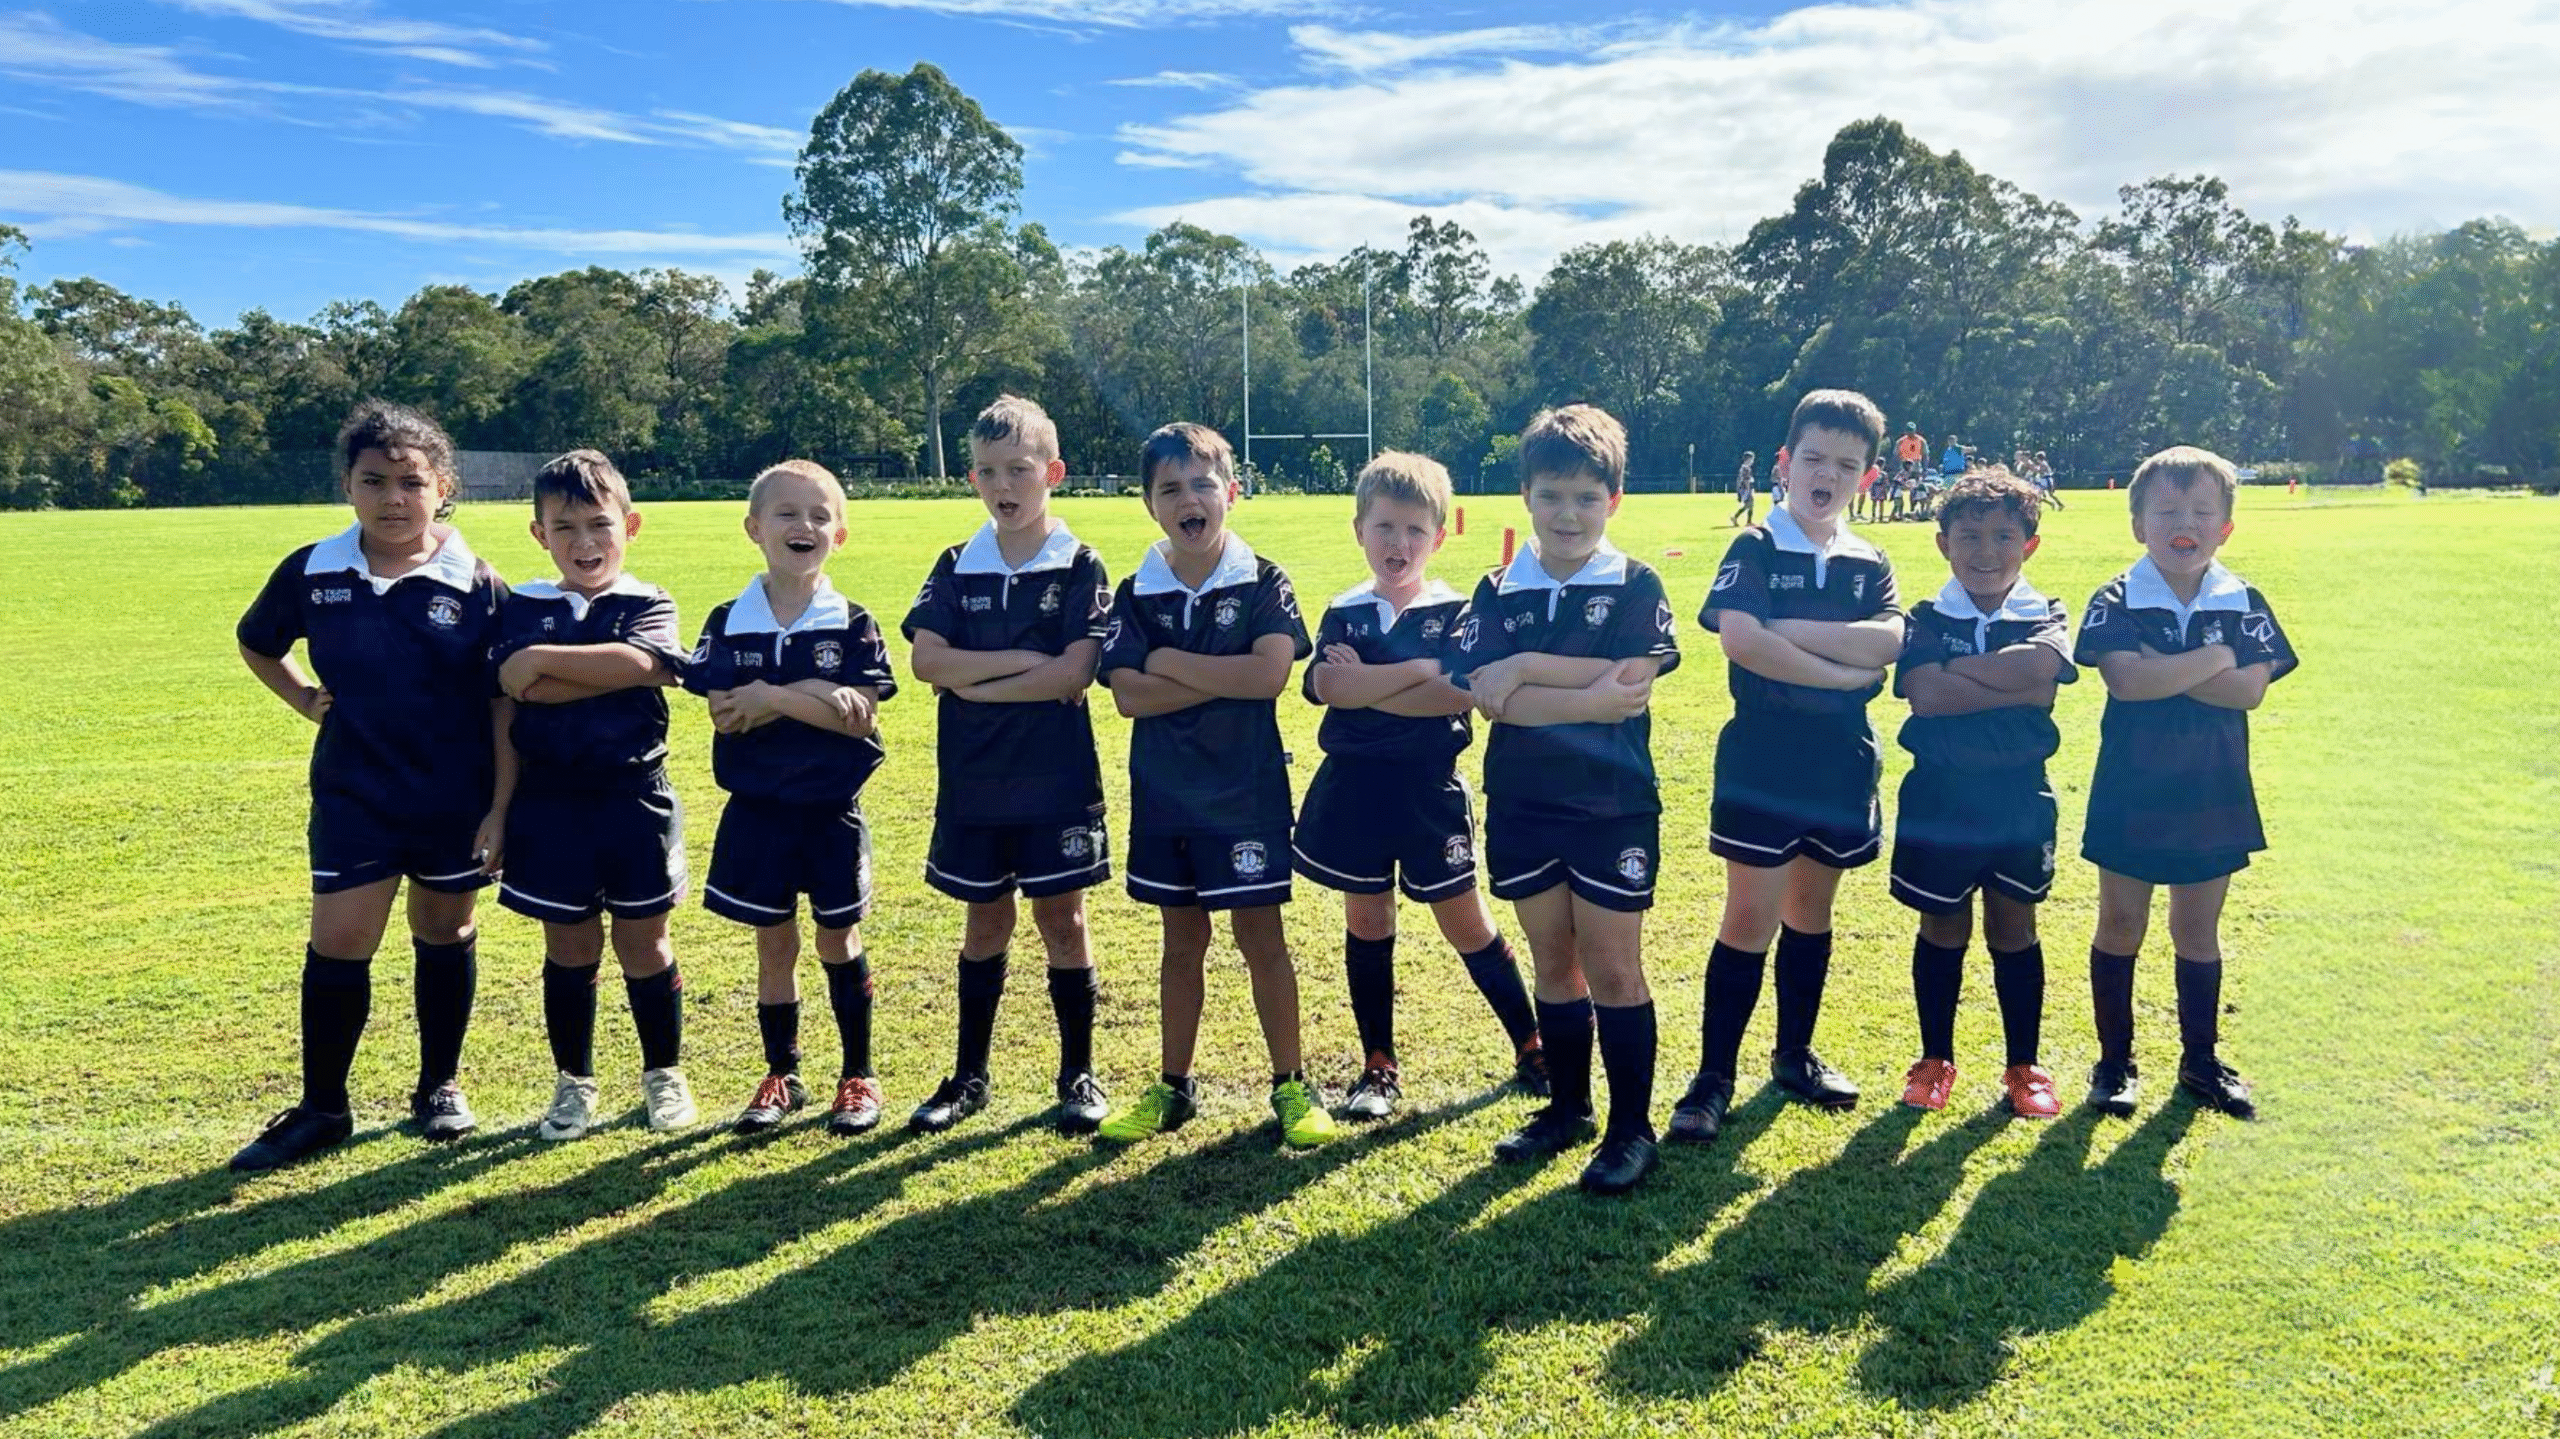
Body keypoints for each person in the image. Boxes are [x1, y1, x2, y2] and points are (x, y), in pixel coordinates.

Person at [230, 401, 510, 1172]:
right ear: (348, 487)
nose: (393, 497)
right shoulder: (312, 569)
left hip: (452, 794)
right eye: (374, 480)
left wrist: (500, 806)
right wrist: (305, 699)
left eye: (411, 482)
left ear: (443, 487)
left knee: (443, 932)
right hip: (355, 791)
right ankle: (324, 1108)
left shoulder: (479, 582)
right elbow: (258, 641)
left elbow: (502, 699)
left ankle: (439, 1086)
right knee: (340, 941)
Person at [1444, 404, 1681, 1196]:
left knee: (1614, 968)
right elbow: (1486, 698)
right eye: (1552, 495)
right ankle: (1570, 1107)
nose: (1569, 513)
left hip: (1612, 804)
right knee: (1555, 960)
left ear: (1613, 498)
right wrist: (1528, 685)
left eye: (1586, 496)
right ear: (1526, 496)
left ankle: (1630, 1129)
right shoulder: (1498, 585)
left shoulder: (1636, 582)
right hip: (1525, 798)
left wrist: (1526, 669)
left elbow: (1630, 689)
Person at [1094, 423, 1339, 1149]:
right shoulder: (1137, 589)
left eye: (1203, 483)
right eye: (1170, 488)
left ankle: (1292, 1083)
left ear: (1232, 492)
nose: (1189, 499)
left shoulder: (1264, 579)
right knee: (1181, 942)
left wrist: (1167, 658)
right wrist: (1210, 677)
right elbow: (1128, 696)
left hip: (1245, 795)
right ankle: (1173, 1086)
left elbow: (1267, 677)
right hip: (1166, 797)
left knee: (1262, 937)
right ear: (1150, 504)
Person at [1676, 389, 1903, 1145]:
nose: (1826, 474)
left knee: (1812, 913)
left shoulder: (1870, 559)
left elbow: (1889, 642)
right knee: (1750, 915)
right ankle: (1712, 1078)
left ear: (1868, 477)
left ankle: (1793, 1053)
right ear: (1784, 462)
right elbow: (1742, 638)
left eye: (1846, 464)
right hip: (1762, 760)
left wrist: (1795, 636)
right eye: (1813, 458)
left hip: (1840, 764)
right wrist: (1840, 672)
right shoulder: (1755, 547)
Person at [1296, 452, 1546, 1122]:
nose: (1397, 543)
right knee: (1368, 918)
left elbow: (1453, 695)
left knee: (1465, 920)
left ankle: (1531, 1041)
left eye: (1413, 529)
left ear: (1439, 535)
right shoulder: (1344, 612)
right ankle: (1378, 1063)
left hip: (1429, 792)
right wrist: (1416, 672)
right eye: (1384, 527)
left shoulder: (1458, 610)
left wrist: (1371, 687)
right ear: (1359, 530)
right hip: (1354, 789)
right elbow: (1327, 687)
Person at [902, 397, 1115, 1136]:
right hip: (975, 780)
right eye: (989, 471)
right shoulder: (957, 563)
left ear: (1051, 472)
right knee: (983, 921)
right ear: (971, 478)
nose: (1005, 484)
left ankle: (1077, 1073)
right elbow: (927, 659)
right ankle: (968, 1075)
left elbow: (1073, 675)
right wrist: (1022, 660)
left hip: (1056, 780)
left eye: (1019, 469)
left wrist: (976, 677)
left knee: (1064, 919)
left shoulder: (1080, 561)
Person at [2074, 446, 2297, 1120]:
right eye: (2167, 509)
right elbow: (2128, 682)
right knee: (2120, 923)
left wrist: (2174, 667)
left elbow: (2249, 692)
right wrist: (2214, 656)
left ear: (2225, 526)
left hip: (2212, 789)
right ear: (2139, 522)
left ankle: (2200, 1060)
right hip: (2132, 788)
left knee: (2197, 932)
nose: (2185, 522)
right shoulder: (2116, 596)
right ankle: (2115, 1063)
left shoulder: (2243, 598)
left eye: (2202, 510)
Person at [685, 459, 897, 1138]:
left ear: (840, 532)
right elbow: (724, 709)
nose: (803, 525)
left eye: (819, 515)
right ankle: (782, 1071)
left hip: (830, 811)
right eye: (786, 513)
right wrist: (814, 696)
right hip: (757, 811)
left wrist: (775, 695)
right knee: (773, 947)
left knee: (839, 938)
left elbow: (859, 712)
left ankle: (858, 1074)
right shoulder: (729, 619)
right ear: (754, 527)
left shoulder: (853, 620)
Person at [493, 450, 695, 1139]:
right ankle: (573, 1083)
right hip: (549, 804)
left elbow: (647, 662)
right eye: (565, 526)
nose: (584, 543)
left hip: (635, 799)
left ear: (630, 525)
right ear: (538, 533)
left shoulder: (649, 599)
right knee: (570, 947)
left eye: (599, 525)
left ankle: (664, 1074)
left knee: (646, 943)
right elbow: (514, 697)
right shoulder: (522, 605)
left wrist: (545, 661)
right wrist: (496, 809)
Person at [1889, 469, 2074, 1117]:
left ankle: (2024, 1066)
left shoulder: (2046, 611)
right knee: (1942, 925)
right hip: (1939, 798)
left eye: (2004, 535)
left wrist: (1953, 674)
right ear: (1943, 543)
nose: (1986, 550)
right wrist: (1994, 680)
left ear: (2031, 545)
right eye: (1970, 535)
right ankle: (1934, 1058)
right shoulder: (1923, 616)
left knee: (2012, 927)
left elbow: (2043, 676)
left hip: (2020, 799)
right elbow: (1927, 696)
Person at [1730, 450, 1758, 527]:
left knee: (1749, 505)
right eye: (1752, 459)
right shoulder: (1746, 468)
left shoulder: (1743, 468)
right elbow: (1746, 480)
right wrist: (1749, 490)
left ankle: (1747, 521)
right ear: (1748, 459)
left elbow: (1739, 480)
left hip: (1743, 489)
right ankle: (1737, 518)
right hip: (1746, 489)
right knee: (1749, 504)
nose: (1752, 461)